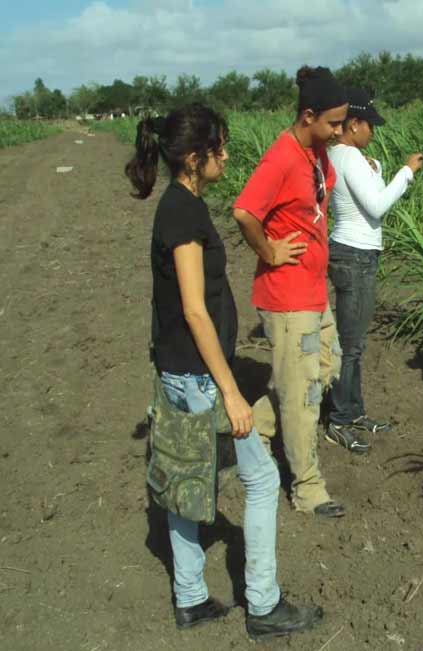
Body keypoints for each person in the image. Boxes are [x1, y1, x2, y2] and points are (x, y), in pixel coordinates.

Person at [126, 104, 322, 641]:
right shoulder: (183, 215)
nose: (227, 157)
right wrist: (231, 392)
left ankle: (190, 598)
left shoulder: (177, 205)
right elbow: (193, 309)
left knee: (188, 480)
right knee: (262, 480)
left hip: (180, 371)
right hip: (198, 377)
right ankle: (264, 604)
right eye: (221, 148)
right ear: (194, 157)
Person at [232, 67, 348, 518]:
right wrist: (270, 250)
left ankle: (252, 431)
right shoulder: (281, 157)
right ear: (307, 115)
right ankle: (307, 488)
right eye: (333, 122)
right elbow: (244, 211)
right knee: (301, 398)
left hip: (314, 291)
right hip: (287, 296)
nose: (339, 130)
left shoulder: (317, 152)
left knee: (323, 368)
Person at [324, 88, 423, 453]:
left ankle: (353, 411)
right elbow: (379, 207)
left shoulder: (345, 155)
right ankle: (338, 420)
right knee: (351, 345)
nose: (374, 133)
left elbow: (369, 200)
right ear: (354, 124)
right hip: (355, 255)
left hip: (353, 252)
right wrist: (406, 172)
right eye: (370, 126)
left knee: (355, 344)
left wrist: (379, 169)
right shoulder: (349, 157)